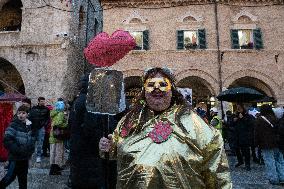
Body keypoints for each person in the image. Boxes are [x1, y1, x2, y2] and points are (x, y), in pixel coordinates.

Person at [99, 67, 232, 188]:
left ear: (172, 90)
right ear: (144, 91)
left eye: (163, 85)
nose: (157, 89)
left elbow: (216, 170)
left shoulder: (194, 123)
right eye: (151, 85)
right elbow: (117, 149)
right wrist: (109, 147)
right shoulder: (129, 121)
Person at [0, 105, 36, 189]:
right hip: (15, 159)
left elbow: (31, 140)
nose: (21, 115)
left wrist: (30, 150)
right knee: (9, 178)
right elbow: (7, 140)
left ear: (27, 114)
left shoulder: (28, 125)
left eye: (23, 113)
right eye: (19, 113)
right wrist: (19, 150)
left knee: (23, 180)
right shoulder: (13, 124)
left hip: (24, 159)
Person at [254, 104, 284, 185]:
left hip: (266, 144)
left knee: (269, 161)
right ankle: (282, 177)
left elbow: (256, 133)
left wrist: (256, 144)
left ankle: (273, 178)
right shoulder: (276, 118)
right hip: (277, 143)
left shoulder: (259, 120)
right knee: (279, 160)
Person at [49, 100, 68, 175]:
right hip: (58, 136)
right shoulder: (60, 113)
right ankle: (56, 169)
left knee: (53, 152)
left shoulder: (54, 113)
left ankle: (53, 168)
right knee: (58, 152)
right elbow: (59, 123)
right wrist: (66, 124)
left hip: (53, 135)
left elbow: (54, 123)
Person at [29, 97, 50, 163]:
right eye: (41, 101)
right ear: (38, 101)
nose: (43, 102)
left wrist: (44, 124)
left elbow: (48, 118)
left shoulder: (46, 109)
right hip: (33, 127)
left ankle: (38, 156)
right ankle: (30, 154)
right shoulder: (33, 108)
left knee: (40, 143)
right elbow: (30, 117)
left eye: (43, 101)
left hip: (41, 128)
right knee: (32, 142)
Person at [234, 104, 253, 171]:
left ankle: (247, 164)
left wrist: (243, 118)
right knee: (237, 150)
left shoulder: (248, 116)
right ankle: (240, 161)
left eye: (239, 108)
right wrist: (234, 121)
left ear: (243, 109)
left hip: (245, 137)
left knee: (246, 151)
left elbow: (250, 125)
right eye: (237, 108)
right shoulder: (235, 116)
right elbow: (230, 124)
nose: (238, 109)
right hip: (237, 136)